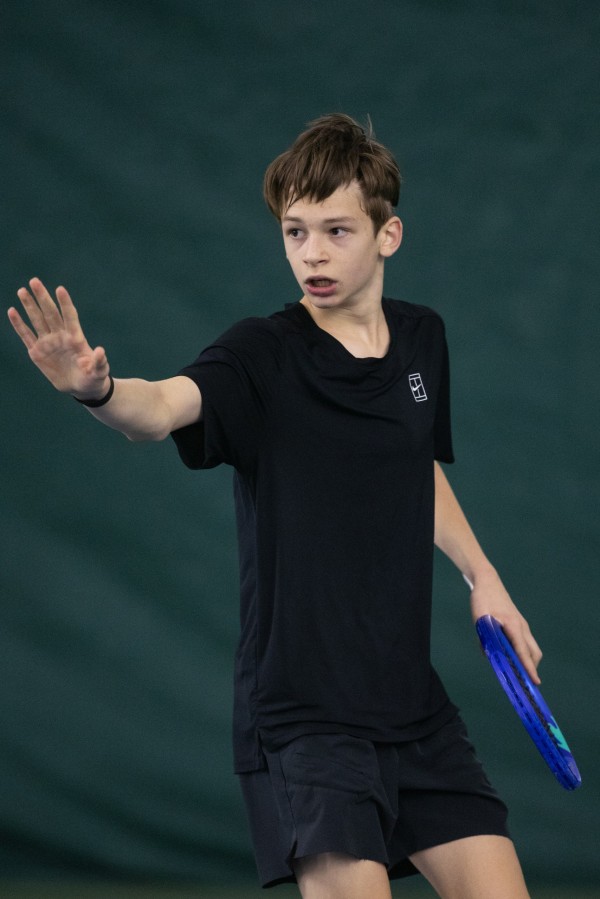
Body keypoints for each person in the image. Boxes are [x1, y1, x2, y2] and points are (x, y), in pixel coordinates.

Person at [8, 114, 542, 899]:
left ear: (388, 235)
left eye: (336, 230)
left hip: (412, 705)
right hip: (305, 720)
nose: (311, 253)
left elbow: (413, 467)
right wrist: (99, 391)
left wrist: (482, 575)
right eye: (295, 232)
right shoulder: (260, 354)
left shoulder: (422, 339)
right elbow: (160, 408)